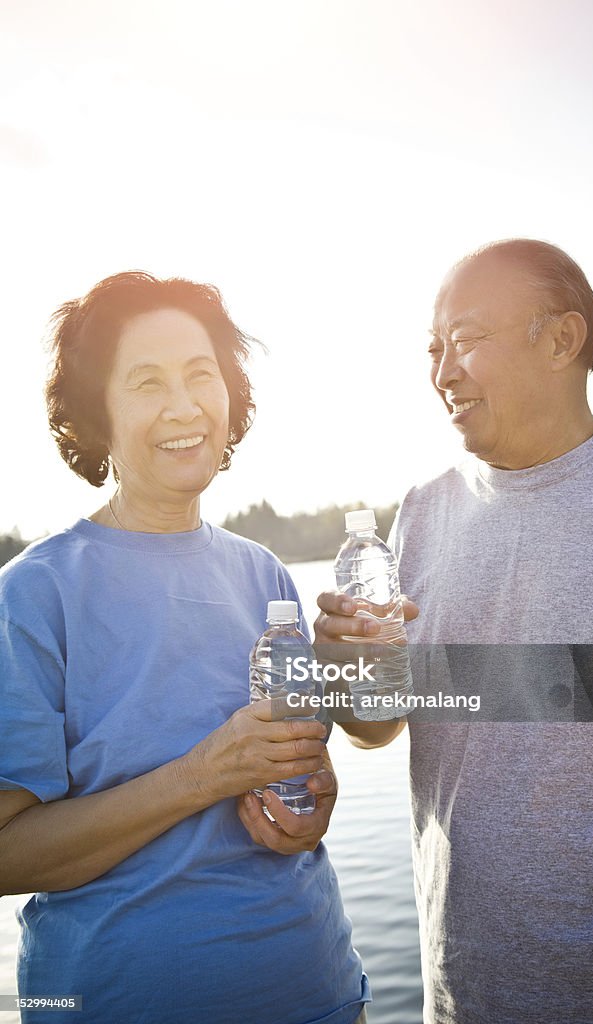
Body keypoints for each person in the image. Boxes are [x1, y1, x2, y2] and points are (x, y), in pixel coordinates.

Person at [314, 240, 593, 1023]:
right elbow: (378, 728)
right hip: (464, 990)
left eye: (468, 340)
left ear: (560, 340)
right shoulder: (418, 514)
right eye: (433, 348)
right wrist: (349, 671)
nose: (442, 372)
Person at [0, 272, 369, 1024]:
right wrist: (203, 774)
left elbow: (296, 766)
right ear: (96, 412)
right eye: (146, 382)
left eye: (201, 375)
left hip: (317, 993)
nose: (183, 405)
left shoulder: (263, 574)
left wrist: (310, 805)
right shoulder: (32, 595)